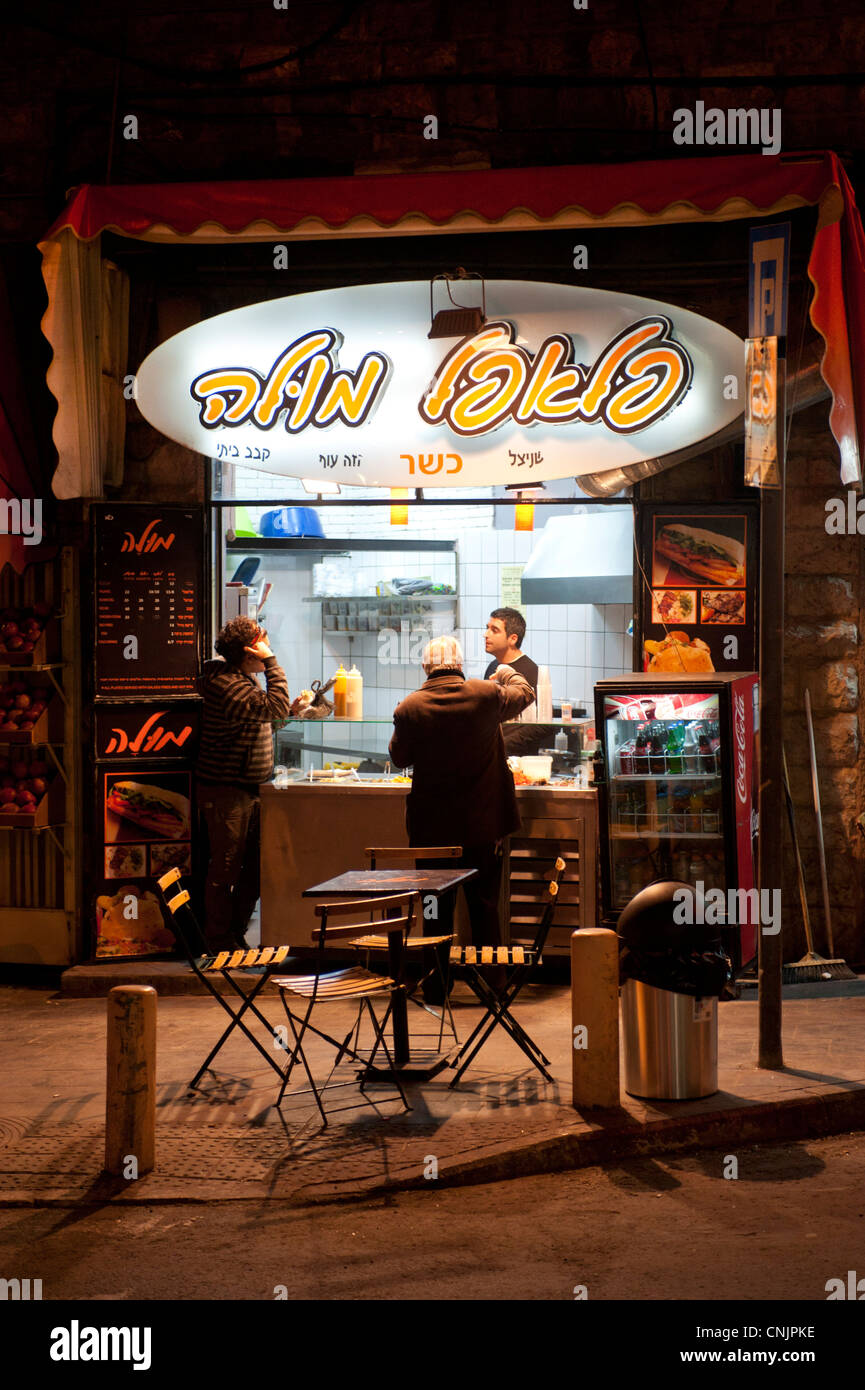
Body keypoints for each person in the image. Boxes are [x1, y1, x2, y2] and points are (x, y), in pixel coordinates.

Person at [389, 634, 534, 996]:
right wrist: (505, 673)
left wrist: (403, 719)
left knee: (436, 908)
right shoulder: (484, 695)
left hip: (432, 829)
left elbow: (398, 758)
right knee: (484, 906)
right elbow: (526, 693)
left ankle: (436, 986)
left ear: (425, 668)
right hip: (484, 826)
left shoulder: (410, 706)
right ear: (460, 665)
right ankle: (493, 983)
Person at [196, 617, 291, 951]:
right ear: (248, 652)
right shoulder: (226, 683)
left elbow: (271, 717)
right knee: (225, 870)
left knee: (255, 867)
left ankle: (235, 933)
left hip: (251, 789)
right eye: (261, 644)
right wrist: (271, 662)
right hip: (227, 791)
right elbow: (273, 706)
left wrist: (295, 711)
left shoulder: (242, 679)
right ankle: (218, 941)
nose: (266, 649)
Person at [483, 607, 539, 695]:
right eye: (487, 628)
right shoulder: (493, 666)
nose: (485, 634)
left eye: (494, 630)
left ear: (513, 639)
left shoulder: (531, 674)